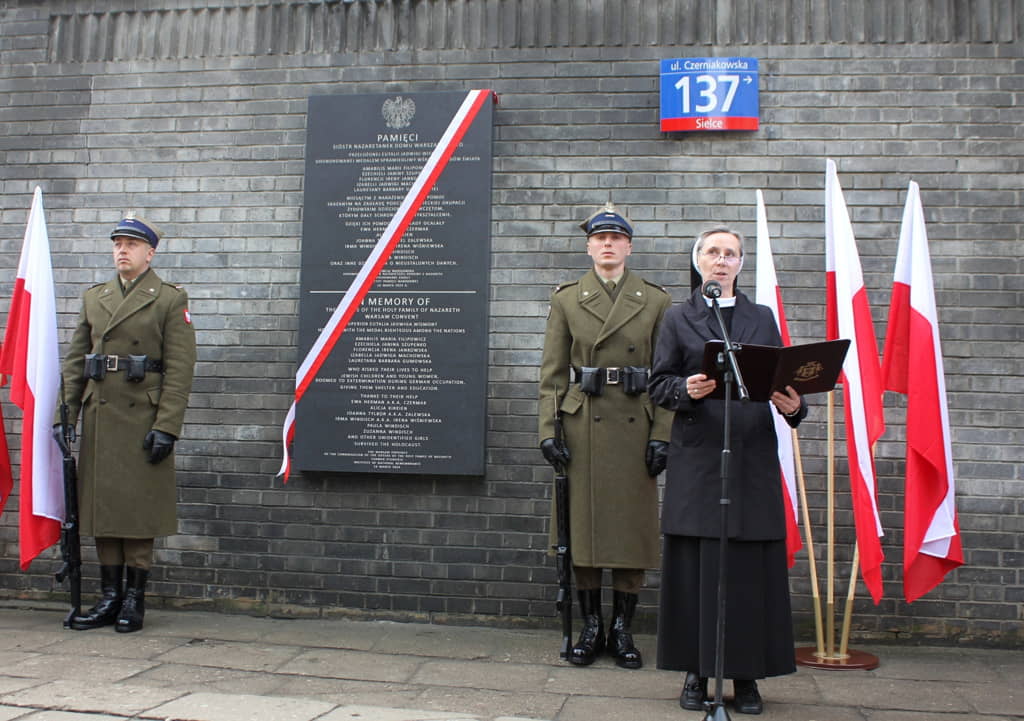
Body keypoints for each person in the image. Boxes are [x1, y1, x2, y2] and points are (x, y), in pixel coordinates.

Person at [648, 226, 805, 714]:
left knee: (748, 573)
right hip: (699, 457)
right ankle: (696, 672)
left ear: (741, 263)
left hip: (752, 455)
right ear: (698, 261)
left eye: (730, 253)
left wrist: (794, 406)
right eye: (712, 252)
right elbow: (657, 384)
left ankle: (747, 677)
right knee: (698, 569)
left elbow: (782, 384)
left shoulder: (761, 319)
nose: (721, 260)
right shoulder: (678, 318)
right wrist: (684, 390)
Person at [538, 202, 673, 669]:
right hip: (583, 422)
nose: (608, 244)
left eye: (616, 238)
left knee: (631, 529)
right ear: (589, 246)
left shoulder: (655, 300)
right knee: (584, 527)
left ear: (629, 246)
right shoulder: (567, 298)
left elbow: (667, 373)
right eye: (600, 238)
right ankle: (592, 624)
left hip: (636, 420)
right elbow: (553, 374)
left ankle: (622, 628)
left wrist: (664, 433)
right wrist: (546, 431)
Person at [53, 215, 196, 633]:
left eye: (131, 245)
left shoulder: (169, 299)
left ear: (150, 253)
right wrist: (65, 414)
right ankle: (109, 597)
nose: (122, 250)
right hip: (101, 415)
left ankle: (134, 600)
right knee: (102, 508)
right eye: (117, 243)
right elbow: (76, 362)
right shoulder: (94, 297)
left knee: (137, 511)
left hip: (142, 419)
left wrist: (168, 425)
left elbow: (181, 367)